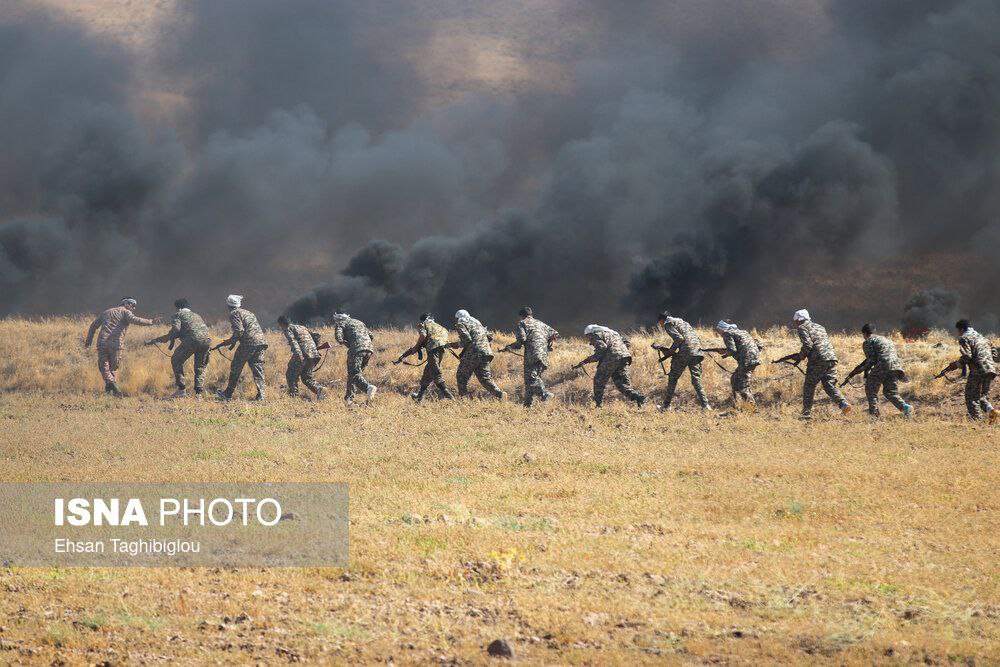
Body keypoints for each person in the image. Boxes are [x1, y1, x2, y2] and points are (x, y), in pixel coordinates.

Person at [84, 297, 160, 397]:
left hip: (102, 343)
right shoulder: (126, 312)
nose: (133, 308)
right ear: (126, 304)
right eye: (132, 305)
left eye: (134, 306)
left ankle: (110, 390)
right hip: (116, 345)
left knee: (104, 367)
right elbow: (135, 320)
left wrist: (89, 340)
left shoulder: (107, 312)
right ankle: (114, 388)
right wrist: (151, 321)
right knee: (113, 367)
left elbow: (93, 325)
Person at [144, 298, 212, 398]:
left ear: (178, 308)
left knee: (176, 360)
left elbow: (176, 329)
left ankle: (181, 389)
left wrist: (158, 340)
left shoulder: (178, 315)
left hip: (191, 341)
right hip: (206, 341)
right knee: (200, 366)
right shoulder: (197, 315)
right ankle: (198, 394)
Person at [790, 309, 850, 418]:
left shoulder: (802, 327)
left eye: (795, 321)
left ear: (799, 320)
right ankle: (843, 404)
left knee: (809, 385)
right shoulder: (820, 327)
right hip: (831, 358)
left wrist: (800, 356)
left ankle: (806, 413)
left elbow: (808, 345)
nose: (795, 323)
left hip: (818, 359)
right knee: (828, 384)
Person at [843, 323, 912, 419]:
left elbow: (871, 360)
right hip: (896, 366)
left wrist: (858, 371)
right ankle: (905, 408)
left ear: (865, 333)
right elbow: (874, 358)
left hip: (883, 365)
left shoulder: (868, 341)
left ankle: (874, 414)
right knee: (890, 392)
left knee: (870, 389)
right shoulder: (885, 340)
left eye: (863, 335)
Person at [573, 324, 645, 407]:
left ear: (590, 333)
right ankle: (639, 398)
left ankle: (598, 405)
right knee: (622, 384)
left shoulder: (596, 334)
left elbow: (602, 348)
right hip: (625, 357)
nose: (589, 340)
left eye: (587, 336)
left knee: (598, 380)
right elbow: (627, 343)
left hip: (612, 358)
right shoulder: (613, 333)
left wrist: (588, 360)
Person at [501, 306, 559, 407]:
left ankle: (545, 394)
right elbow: (555, 334)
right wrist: (546, 344)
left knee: (531, 379)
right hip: (543, 355)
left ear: (521, 316)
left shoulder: (522, 323)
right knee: (532, 380)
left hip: (532, 354)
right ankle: (527, 405)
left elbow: (521, 340)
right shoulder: (540, 323)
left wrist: (509, 347)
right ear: (531, 315)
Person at [214, 294, 268, 401]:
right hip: (261, 342)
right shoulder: (249, 313)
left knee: (236, 367)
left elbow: (239, 331)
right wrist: (233, 342)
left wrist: (227, 342)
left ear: (229, 305)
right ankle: (262, 396)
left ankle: (228, 394)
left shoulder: (234, 313)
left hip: (249, 343)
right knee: (258, 369)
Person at [654, 311, 710, 410]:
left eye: (660, 323)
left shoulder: (668, 324)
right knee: (696, 379)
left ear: (662, 320)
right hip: (697, 351)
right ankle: (706, 405)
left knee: (673, 377)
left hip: (685, 352)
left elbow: (679, 339)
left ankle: (666, 406)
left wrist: (670, 351)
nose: (661, 325)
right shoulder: (684, 323)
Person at [397, 313, 454, 402]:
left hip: (433, 349)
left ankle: (449, 396)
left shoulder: (423, 324)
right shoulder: (441, 327)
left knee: (436, 373)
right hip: (442, 349)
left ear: (423, 320)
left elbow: (423, 335)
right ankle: (419, 397)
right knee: (428, 372)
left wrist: (416, 347)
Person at [450, 309, 504, 400]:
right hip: (486, 353)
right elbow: (490, 336)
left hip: (474, 353)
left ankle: (464, 399)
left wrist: (456, 344)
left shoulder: (461, 323)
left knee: (461, 376)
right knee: (485, 378)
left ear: (458, 318)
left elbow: (466, 340)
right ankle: (500, 394)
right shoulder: (477, 322)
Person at [953, 319, 997, 422]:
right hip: (990, 369)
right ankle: (993, 412)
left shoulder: (964, 338)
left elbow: (967, 356)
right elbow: (994, 354)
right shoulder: (982, 338)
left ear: (962, 329)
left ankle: (978, 422)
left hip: (978, 371)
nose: (958, 333)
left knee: (971, 398)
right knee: (982, 398)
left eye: (958, 330)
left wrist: (958, 364)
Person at [712, 320, 761, 406]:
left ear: (722, 329)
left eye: (718, 330)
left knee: (742, 384)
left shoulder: (727, 333)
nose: (718, 332)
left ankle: (752, 407)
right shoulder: (742, 332)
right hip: (754, 358)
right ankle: (736, 403)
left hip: (746, 360)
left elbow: (732, 350)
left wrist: (725, 353)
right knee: (735, 378)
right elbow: (758, 345)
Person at [332, 312, 378, 405]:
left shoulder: (341, 323)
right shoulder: (358, 322)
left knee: (354, 373)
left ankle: (368, 388)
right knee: (354, 374)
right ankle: (349, 400)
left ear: (337, 318)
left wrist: (344, 342)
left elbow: (338, 337)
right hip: (369, 349)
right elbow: (371, 335)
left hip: (356, 349)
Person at [278, 316, 325, 400]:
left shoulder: (288, 329)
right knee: (306, 377)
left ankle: (294, 396)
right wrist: (314, 347)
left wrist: (299, 356)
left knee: (290, 375)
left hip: (303, 355)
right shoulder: (302, 327)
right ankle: (319, 389)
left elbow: (293, 342)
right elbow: (317, 335)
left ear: (281, 324)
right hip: (315, 355)